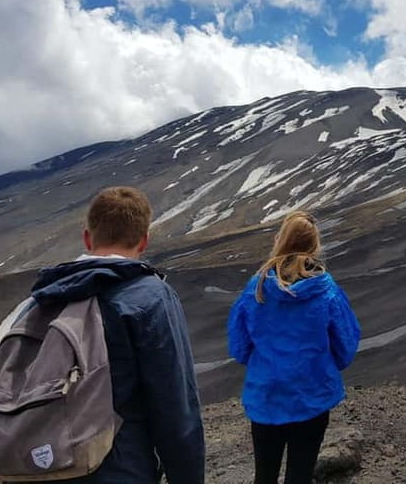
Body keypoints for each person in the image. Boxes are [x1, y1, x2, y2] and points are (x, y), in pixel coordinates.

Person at [30, 186, 205, 483]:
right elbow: (175, 407)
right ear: (144, 241)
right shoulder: (150, 297)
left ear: (87, 238)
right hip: (115, 470)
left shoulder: (41, 298)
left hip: (35, 464)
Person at [228, 211, 360, 484]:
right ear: (314, 246)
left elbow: (239, 347)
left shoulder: (257, 288)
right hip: (312, 396)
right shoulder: (326, 290)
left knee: (264, 474)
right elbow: (345, 345)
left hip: (266, 396)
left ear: (280, 240)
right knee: (300, 474)